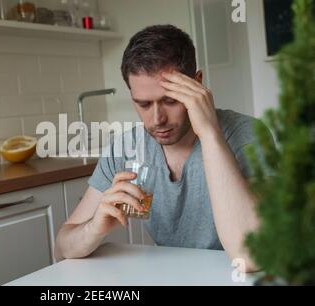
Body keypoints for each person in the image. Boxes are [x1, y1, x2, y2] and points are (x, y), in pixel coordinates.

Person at [55, 24, 268, 272]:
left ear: (197, 84)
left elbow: (252, 256)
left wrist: (210, 134)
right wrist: (94, 227)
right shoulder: (126, 148)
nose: (157, 119)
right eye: (143, 104)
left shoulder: (248, 135)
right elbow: (62, 249)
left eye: (170, 100)